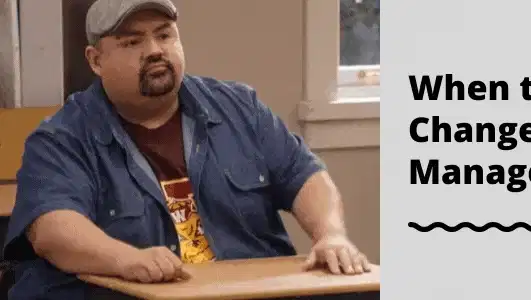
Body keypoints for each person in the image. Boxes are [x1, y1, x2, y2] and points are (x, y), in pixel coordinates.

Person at [2, 0, 371, 298]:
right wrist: (126, 260)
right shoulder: (61, 138)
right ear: (96, 60)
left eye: (164, 36)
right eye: (133, 42)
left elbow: (304, 175)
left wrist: (330, 234)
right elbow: (52, 230)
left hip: (245, 291)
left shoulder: (240, 108)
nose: (155, 51)